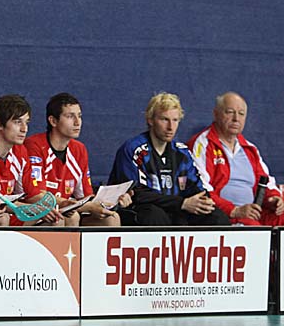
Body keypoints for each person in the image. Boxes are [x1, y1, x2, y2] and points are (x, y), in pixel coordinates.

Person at [108, 92, 230, 226]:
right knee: (154, 214)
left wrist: (202, 200)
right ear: (150, 120)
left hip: (176, 209)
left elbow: (194, 186)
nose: (170, 127)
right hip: (142, 210)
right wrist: (181, 203)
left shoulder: (182, 152)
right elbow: (136, 193)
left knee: (217, 217)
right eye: (164, 119)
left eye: (175, 120)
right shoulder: (134, 149)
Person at [25, 93, 127, 227]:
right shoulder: (34, 145)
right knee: (65, 218)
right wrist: (78, 205)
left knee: (111, 218)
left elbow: (85, 196)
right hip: (37, 214)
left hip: (69, 211)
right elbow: (36, 195)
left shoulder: (79, 149)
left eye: (79, 116)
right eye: (70, 116)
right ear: (53, 121)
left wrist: (114, 200)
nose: (77, 122)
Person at [187, 91, 284, 225]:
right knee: (253, 227)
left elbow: (266, 182)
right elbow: (201, 190)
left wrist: (274, 198)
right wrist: (234, 210)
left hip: (252, 213)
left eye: (241, 114)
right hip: (223, 216)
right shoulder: (202, 144)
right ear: (216, 114)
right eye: (230, 112)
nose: (236, 118)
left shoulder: (250, 149)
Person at [0, 94, 62, 226]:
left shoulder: (20, 151)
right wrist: (35, 209)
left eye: (26, 122)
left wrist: (60, 204)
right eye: (17, 122)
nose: (24, 129)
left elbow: (32, 195)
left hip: (9, 211)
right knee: (2, 218)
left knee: (57, 220)